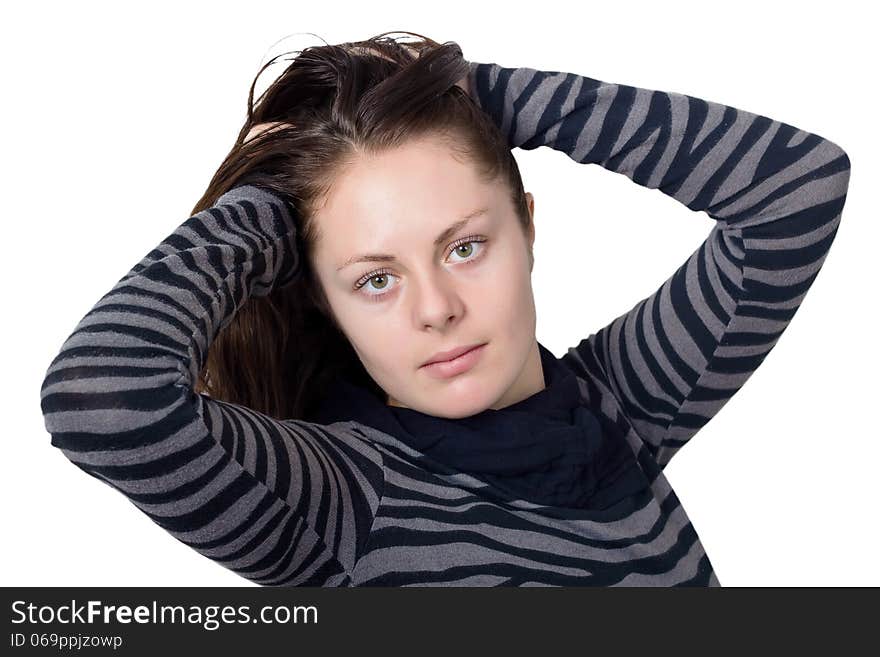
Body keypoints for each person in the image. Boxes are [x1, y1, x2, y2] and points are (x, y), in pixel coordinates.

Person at [38, 31, 851, 586]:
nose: (436, 309)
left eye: (464, 246)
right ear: (321, 296)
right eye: (375, 279)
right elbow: (101, 404)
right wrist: (274, 212)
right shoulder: (346, 497)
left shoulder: (624, 407)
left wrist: (482, 96)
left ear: (526, 228)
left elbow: (798, 190)